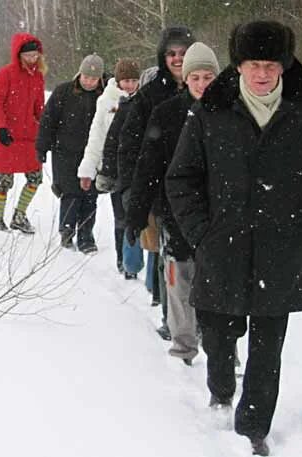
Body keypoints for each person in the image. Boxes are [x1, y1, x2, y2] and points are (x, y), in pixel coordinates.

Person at [165, 21, 302, 456]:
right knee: (219, 336)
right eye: (254, 64)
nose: (263, 73)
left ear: (284, 65)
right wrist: (202, 233)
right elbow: (182, 178)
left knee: (268, 348)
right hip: (221, 249)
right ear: (239, 65)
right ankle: (221, 389)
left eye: (271, 64)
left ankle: (253, 426)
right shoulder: (210, 113)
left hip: (282, 252)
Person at [127, 42, 220, 366]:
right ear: (186, 79)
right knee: (180, 279)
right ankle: (183, 345)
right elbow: (148, 166)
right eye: (195, 77)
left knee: (219, 283)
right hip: (175, 211)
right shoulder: (166, 113)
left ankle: (222, 348)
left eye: (208, 76)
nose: (202, 83)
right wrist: (136, 213)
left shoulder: (231, 111)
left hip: (220, 215)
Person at [121, 25, 195, 338]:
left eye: (183, 53)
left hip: (204, 194)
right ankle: (172, 319)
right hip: (162, 192)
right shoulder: (149, 98)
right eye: (171, 54)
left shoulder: (211, 90)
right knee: (170, 260)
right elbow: (132, 147)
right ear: (163, 57)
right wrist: (133, 195)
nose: (177, 59)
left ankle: (205, 323)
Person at [36, 53, 105, 253]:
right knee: (70, 193)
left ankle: (86, 236)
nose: (89, 82)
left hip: (92, 154)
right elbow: (48, 121)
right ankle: (66, 232)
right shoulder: (63, 92)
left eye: (93, 79)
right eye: (86, 77)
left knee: (90, 195)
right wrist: (42, 147)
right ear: (79, 74)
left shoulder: (104, 97)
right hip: (65, 153)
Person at [77, 58, 140, 271]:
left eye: (134, 80)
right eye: (126, 81)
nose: (130, 85)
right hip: (115, 167)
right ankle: (123, 260)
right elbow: (96, 136)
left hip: (138, 167)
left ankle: (137, 259)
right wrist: (89, 169)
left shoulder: (144, 100)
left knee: (138, 216)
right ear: (118, 81)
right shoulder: (107, 101)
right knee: (121, 216)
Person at [0, 33, 46, 233]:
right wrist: (1, 127)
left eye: (35, 55)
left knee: (35, 178)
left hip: (30, 136)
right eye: (28, 55)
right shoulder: (6, 74)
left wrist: (45, 126)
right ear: (19, 55)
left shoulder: (38, 76)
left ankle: (19, 215)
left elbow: (39, 107)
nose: (32, 59)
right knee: (4, 181)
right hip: (7, 136)